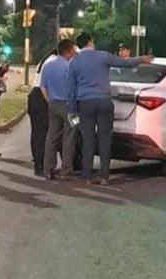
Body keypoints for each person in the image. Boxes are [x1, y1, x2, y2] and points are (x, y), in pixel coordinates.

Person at [68, 32, 152, 185]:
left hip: (85, 103)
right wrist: (141, 59)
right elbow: (124, 63)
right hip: (104, 101)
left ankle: (87, 177)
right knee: (104, 139)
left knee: (88, 140)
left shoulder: (74, 62)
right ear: (90, 42)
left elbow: (72, 89)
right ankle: (104, 177)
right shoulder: (103, 56)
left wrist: (72, 111)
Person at [42, 39, 78, 180]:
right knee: (70, 136)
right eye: (74, 51)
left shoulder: (48, 66)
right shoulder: (70, 67)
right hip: (70, 107)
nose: (75, 54)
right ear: (68, 52)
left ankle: (48, 169)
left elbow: (43, 87)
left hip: (54, 104)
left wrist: (50, 101)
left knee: (51, 137)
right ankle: (66, 170)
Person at [28, 49, 58, 177]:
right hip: (41, 96)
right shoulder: (54, 61)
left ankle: (39, 163)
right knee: (41, 133)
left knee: (38, 132)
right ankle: (40, 165)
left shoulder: (47, 59)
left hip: (36, 95)